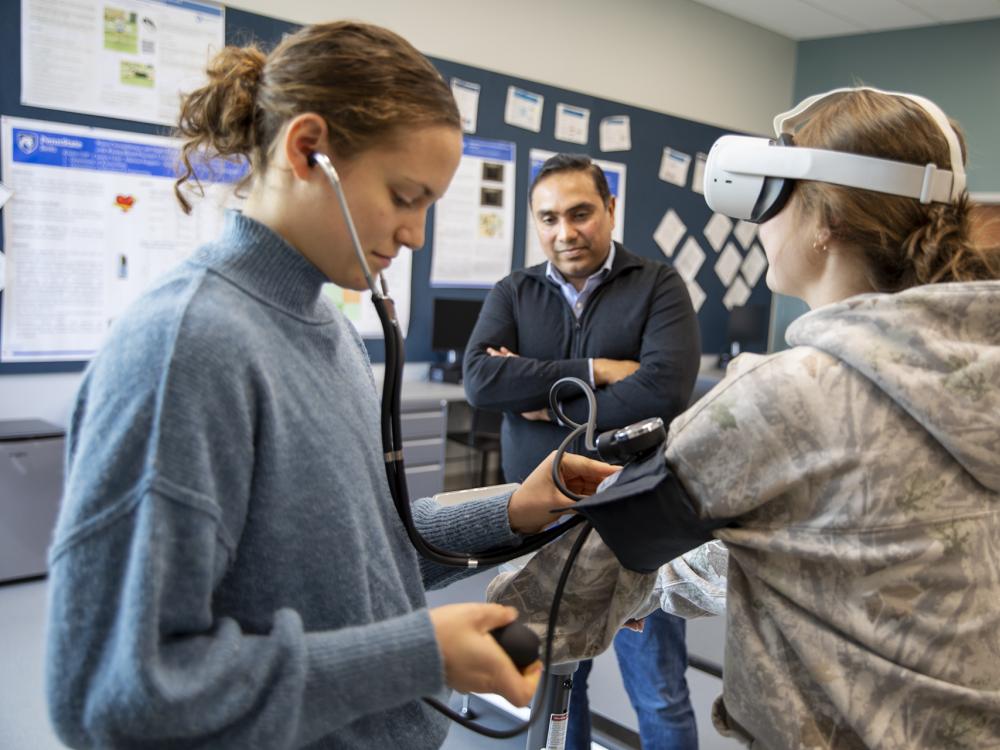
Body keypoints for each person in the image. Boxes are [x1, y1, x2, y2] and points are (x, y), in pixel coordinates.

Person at [43, 22, 618, 750]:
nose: (414, 234)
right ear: (307, 149)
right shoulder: (187, 350)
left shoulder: (325, 326)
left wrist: (516, 508)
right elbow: (113, 692)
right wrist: (420, 653)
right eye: (405, 196)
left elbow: (362, 557)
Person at [644, 87, 1000, 747]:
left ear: (825, 220)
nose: (759, 225)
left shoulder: (783, 395)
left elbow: (597, 570)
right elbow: (874, 552)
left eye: (775, 196)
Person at [463, 154, 702, 749]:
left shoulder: (659, 285)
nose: (565, 232)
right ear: (534, 222)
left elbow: (663, 393)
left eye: (580, 213)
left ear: (610, 209)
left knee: (659, 692)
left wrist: (546, 402)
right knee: (550, 686)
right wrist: (595, 372)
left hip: (635, 527)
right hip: (535, 526)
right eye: (548, 218)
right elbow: (481, 382)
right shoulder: (513, 292)